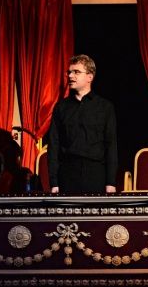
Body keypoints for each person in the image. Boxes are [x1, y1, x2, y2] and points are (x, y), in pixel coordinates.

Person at [47, 54, 118, 194]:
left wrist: (110, 182)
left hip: (95, 174)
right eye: (69, 72)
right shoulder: (61, 107)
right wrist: (54, 182)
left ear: (89, 77)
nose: (71, 76)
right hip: (67, 173)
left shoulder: (105, 107)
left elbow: (111, 145)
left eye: (76, 72)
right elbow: (54, 145)